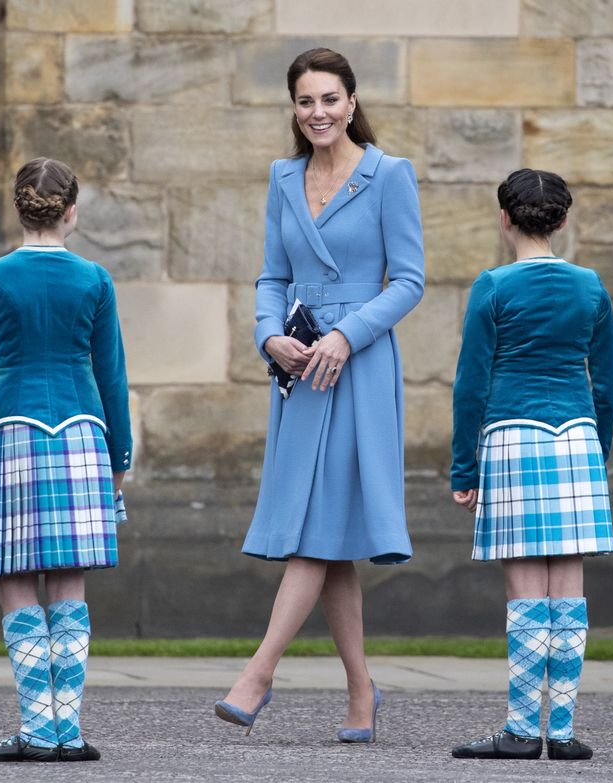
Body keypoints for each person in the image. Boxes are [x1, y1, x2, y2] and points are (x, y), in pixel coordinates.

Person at [214, 47, 424, 743]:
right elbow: (271, 276)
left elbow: (409, 281)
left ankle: (259, 671)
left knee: (317, 527)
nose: (318, 113)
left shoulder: (389, 175)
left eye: (330, 99)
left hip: (357, 368)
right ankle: (362, 691)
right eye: (306, 101)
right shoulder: (282, 178)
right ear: (294, 109)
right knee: (327, 536)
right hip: (299, 371)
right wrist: (268, 335)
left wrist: (349, 335)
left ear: (352, 103)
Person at [0, 157, 132, 763]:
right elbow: (112, 373)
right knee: (70, 574)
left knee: (14, 573)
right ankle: (68, 731)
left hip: (12, 430)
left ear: (18, 209)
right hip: (83, 432)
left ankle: (37, 727)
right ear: (72, 212)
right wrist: (121, 455)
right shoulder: (94, 279)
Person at [448, 169, 613, 762]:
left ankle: (522, 731)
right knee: (568, 587)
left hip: (512, 436)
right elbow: (608, 385)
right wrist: (599, 451)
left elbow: (471, 385)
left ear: (504, 220)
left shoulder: (492, 287)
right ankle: (564, 731)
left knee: (525, 589)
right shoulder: (591, 287)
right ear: (563, 222)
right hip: (576, 437)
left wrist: (463, 470)